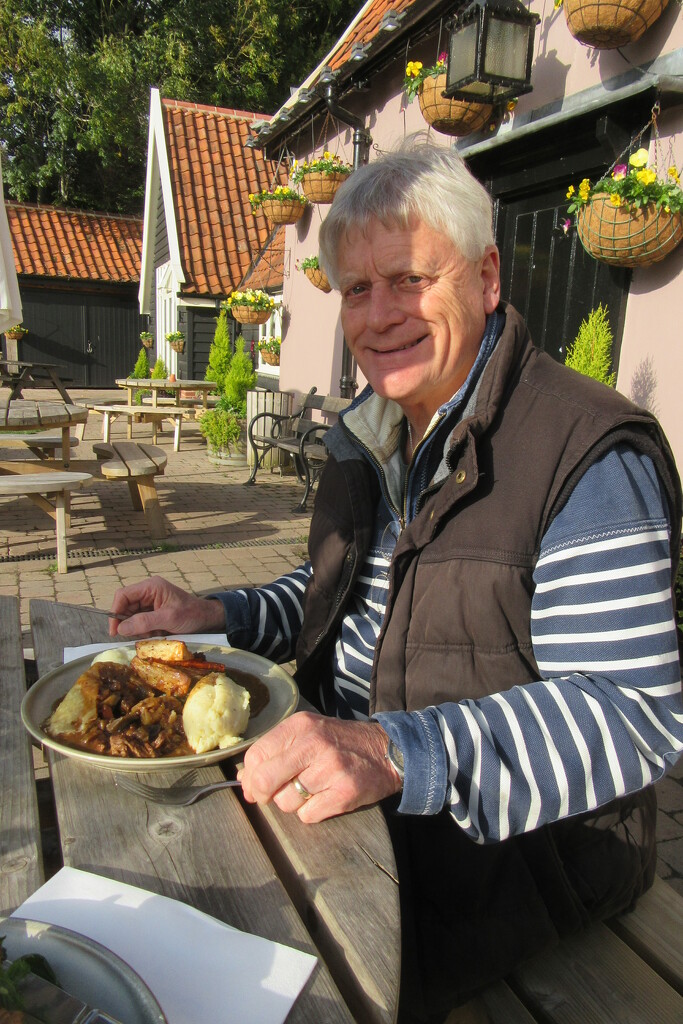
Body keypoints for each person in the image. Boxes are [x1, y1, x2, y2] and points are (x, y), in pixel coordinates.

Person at [110, 139, 683, 1020]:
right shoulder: (372, 427)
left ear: (487, 278)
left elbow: (631, 714)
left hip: (515, 857)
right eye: (355, 290)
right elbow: (331, 591)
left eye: (410, 278)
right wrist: (215, 611)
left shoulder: (586, 451)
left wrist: (387, 749)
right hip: (352, 806)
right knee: (136, 888)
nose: (379, 316)